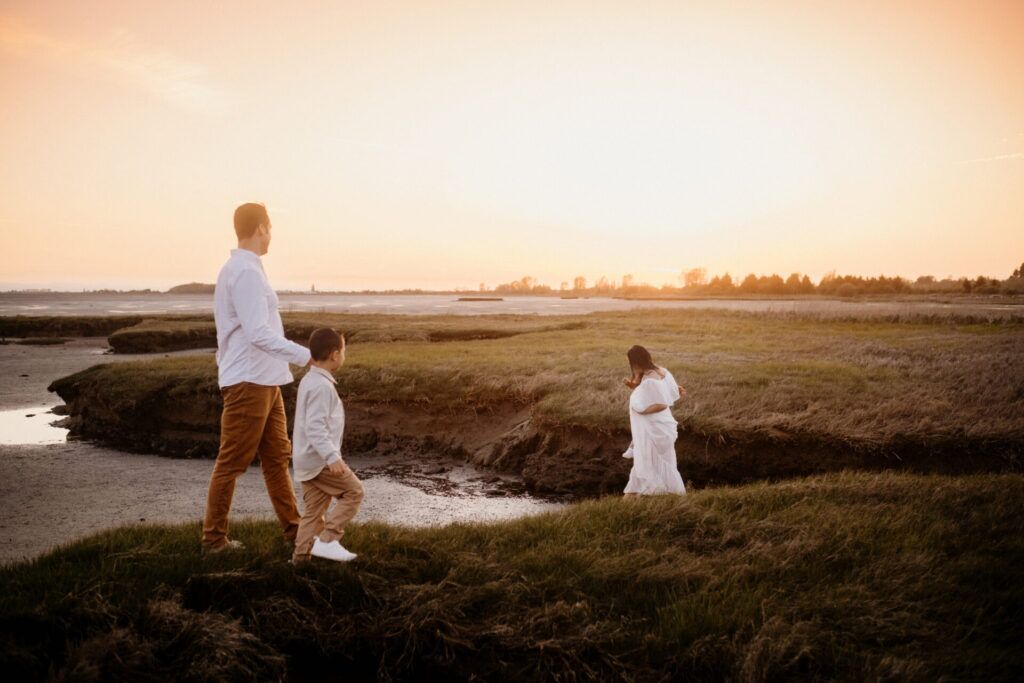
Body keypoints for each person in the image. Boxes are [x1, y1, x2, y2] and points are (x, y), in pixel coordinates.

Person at [202, 203, 312, 552]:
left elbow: (231, 333)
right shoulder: (245, 272)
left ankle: (295, 530)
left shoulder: (243, 268)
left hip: (265, 379)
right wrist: (306, 356)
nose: (272, 235)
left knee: (277, 456)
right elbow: (256, 332)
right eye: (270, 227)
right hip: (250, 380)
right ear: (261, 228)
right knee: (232, 460)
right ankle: (214, 540)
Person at [291, 328, 364, 564]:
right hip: (319, 460)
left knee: (313, 512)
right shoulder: (322, 387)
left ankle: (300, 561)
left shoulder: (310, 380)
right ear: (334, 355)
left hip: (306, 459)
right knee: (354, 492)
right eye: (343, 351)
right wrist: (332, 457)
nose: (344, 356)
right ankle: (328, 541)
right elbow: (314, 427)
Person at [621, 345, 687, 496]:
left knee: (647, 463)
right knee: (657, 462)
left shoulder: (651, 379)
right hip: (661, 427)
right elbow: (669, 391)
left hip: (652, 430)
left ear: (635, 362)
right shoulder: (662, 371)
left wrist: (642, 411)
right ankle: (662, 494)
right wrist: (635, 380)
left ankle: (655, 493)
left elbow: (662, 404)